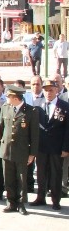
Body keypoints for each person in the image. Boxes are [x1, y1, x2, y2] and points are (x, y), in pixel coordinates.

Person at [0, 85, 39, 215]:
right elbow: (0, 128)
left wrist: (32, 153)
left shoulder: (30, 111)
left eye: (9, 96)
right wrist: (0, 147)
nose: (7, 98)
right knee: (8, 177)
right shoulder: (5, 108)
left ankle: (21, 204)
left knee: (21, 178)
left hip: (22, 150)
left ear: (15, 98)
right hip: (6, 149)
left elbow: (35, 134)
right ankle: (10, 202)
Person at [30, 77, 69, 210]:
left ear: (56, 90)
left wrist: (65, 147)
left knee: (56, 174)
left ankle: (55, 200)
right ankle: (40, 197)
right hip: (41, 146)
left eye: (51, 90)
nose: (48, 93)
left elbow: (67, 130)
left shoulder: (64, 106)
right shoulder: (37, 104)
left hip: (56, 147)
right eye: (46, 90)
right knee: (41, 173)